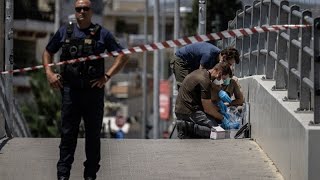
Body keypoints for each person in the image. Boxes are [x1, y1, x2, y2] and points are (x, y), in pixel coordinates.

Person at [42, 0, 128, 179]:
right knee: (67, 137)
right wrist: (49, 73)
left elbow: (122, 56)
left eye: (85, 9)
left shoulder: (102, 34)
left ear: (91, 11)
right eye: (78, 9)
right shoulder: (65, 31)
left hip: (92, 93)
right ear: (75, 11)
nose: (82, 11)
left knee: (93, 138)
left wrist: (107, 77)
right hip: (70, 92)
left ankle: (90, 176)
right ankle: (63, 176)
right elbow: (48, 52)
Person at [174, 62, 233, 139]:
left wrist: (219, 111)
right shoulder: (205, 80)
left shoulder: (202, 72)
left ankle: (190, 127)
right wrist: (223, 118)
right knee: (217, 131)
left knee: (216, 120)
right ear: (219, 73)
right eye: (223, 79)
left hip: (186, 108)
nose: (221, 81)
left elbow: (208, 102)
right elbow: (208, 109)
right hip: (188, 111)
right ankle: (187, 128)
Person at [170, 42, 240, 89]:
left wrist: (230, 78)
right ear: (224, 57)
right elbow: (200, 76)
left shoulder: (218, 58)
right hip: (182, 61)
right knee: (186, 87)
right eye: (229, 64)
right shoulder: (209, 55)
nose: (229, 67)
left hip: (192, 63)